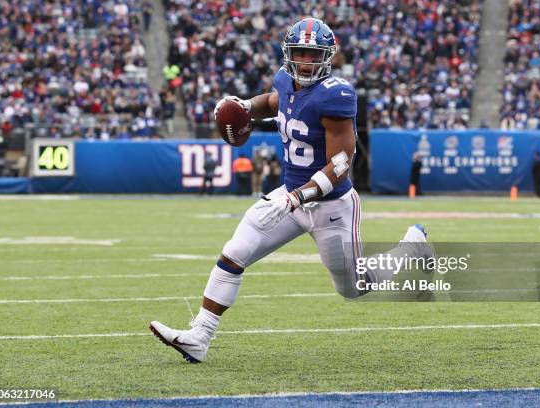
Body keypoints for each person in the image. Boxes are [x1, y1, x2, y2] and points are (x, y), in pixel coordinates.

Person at [149, 18, 430, 363]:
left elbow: (341, 165)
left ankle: (411, 249)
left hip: (331, 206)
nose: (306, 62)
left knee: (354, 287)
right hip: (290, 198)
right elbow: (272, 101)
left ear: (327, 57)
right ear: (288, 53)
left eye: (313, 55)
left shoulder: (336, 95)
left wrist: (295, 197)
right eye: (300, 53)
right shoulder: (285, 80)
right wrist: (245, 106)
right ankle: (199, 337)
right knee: (234, 252)